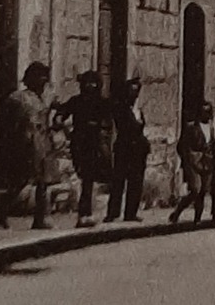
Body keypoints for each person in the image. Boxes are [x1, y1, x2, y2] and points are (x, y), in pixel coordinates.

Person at [0, 61, 55, 229]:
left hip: (41, 143)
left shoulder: (42, 98)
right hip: (24, 143)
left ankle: (40, 219)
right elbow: (8, 123)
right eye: (40, 79)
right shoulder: (18, 98)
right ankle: (1, 209)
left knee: (43, 182)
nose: (43, 83)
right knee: (20, 181)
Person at [53, 70, 113, 228]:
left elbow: (108, 120)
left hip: (93, 143)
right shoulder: (76, 101)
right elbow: (62, 113)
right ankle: (84, 213)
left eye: (92, 84)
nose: (89, 87)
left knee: (88, 178)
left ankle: (85, 213)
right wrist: (61, 122)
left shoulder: (101, 102)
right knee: (85, 177)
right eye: (87, 83)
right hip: (80, 142)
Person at [106, 76, 148, 223]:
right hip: (124, 147)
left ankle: (131, 213)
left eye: (137, 91)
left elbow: (141, 126)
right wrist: (137, 122)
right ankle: (113, 212)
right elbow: (128, 126)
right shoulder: (120, 108)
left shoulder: (138, 110)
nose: (134, 95)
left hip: (138, 149)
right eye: (132, 91)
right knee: (118, 181)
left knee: (136, 181)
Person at [171, 99, 215, 225]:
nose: (206, 115)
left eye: (208, 112)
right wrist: (187, 159)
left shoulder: (213, 128)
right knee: (196, 188)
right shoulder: (191, 127)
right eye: (203, 112)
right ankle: (178, 211)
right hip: (193, 161)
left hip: (207, 161)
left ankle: (197, 218)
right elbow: (181, 146)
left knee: (203, 190)